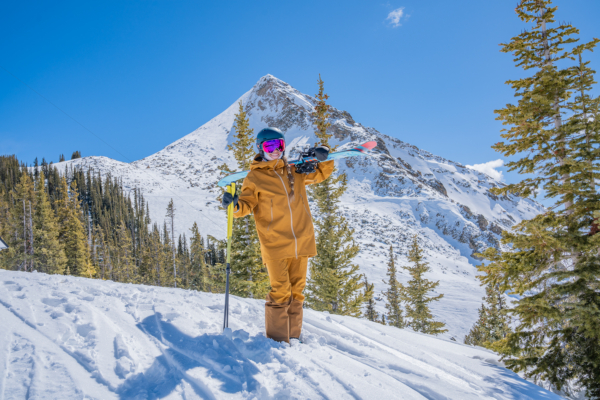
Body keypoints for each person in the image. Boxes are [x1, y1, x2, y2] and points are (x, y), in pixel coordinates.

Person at [222, 127, 333, 344]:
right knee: (281, 291)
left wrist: (323, 159)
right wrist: (233, 205)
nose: (275, 150)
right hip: (274, 244)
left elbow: (320, 174)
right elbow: (245, 206)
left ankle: (294, 336)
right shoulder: (255, 178)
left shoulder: (295, 170)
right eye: (269, 146)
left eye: (279, 146)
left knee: (297, 291)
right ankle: (278, 341)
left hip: (301, 241)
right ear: (260, 148)